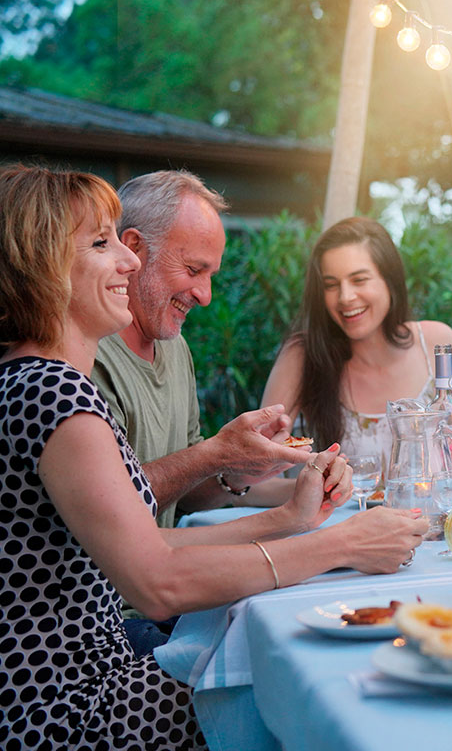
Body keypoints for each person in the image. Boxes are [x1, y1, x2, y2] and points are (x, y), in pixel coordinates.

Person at [0, 165, 428, 747]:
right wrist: (344, 545)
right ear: (41, 264)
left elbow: (148, 546)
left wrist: (288, 522)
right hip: (73, 711)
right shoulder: (55, 393)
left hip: (81, 684)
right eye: (102, 243)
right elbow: (158, 583)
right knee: (310, 685)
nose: (128, 260)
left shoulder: (31, 383)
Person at [91, 170, 308, 655]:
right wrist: (213, 454)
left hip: (170, 600)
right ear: (133, 249)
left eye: (211, 274)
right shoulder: (83, 355)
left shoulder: (175, 346)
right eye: (193, 270)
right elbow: (110, 509)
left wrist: (242, 468)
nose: (205, 295)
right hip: (113, 619)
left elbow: (183, 499)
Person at [262, 216, 452, 458]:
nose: (345, 297)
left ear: (390, 280)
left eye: (359, 280)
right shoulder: (305, 354)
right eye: (331, 285)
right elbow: (253, 479)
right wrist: (317, 483)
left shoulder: (436, 343)